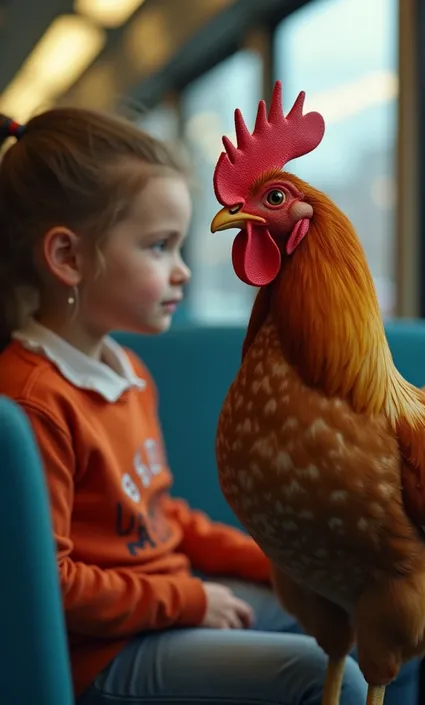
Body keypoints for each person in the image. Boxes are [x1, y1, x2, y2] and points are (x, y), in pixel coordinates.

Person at [0, 109, 367, 705]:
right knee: (328, 677)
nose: (183, 271)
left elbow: (159, 517)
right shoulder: (33, 401)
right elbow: (49, 584)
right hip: (103, 654)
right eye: (160, 246)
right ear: (67, 258)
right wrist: (192, 601)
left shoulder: (129, 373)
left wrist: (272, 560)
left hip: (164, 604)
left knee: (370, 621)